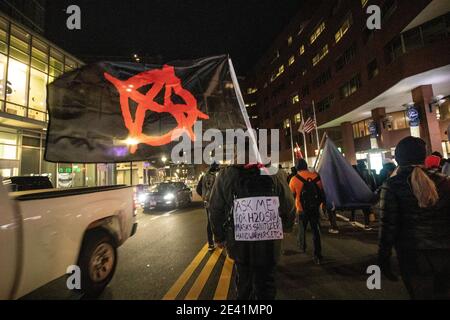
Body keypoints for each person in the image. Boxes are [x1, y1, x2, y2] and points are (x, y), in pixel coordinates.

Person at [209, 162, 295, 300]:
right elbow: (289, 203)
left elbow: (215, 208)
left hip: (239, 243)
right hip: (269, 243)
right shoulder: (274, 171)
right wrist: (286, 226)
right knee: (267, 286)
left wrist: (219, 237)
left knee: (244, 284)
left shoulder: (226, 174)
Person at [378, 136, 450, 299]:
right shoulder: (445, 182)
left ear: (398, 159)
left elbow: (388, 226)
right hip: (445, 253)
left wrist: (383, 257)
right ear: (424, 156)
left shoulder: (392, 185)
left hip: (412, 255)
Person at [289, 159, 325, 264]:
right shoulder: (316, 176)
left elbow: (292, 195)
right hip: (314, 208)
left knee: (302, 229)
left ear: (296, 168)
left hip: (301, 209)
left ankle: (302, 246)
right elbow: (321, 191)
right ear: (306, 166)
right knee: (316, 231)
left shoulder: (294, 179)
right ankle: (318, 254)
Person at [196, 162, 220, 251]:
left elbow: (198, 189)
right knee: (218, 220)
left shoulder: (203, 177)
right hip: (216, 202)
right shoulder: (217, 177)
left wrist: (204, 196)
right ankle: (219, 240)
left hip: (207, 202)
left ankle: (210, 244)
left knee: (209, 222)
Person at [351, 160, 376, 230]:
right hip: (367, 192)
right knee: (366, 209)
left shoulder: (355, 172)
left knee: (354, 206)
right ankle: (367, 225)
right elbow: (373, 182)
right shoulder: (369, 172)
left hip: (358, 192)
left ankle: (352, 219)